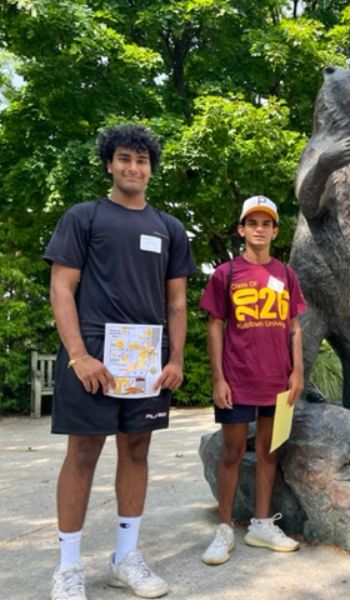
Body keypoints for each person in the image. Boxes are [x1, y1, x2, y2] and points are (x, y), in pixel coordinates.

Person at [44, 124, 196, 600]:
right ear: (109, 163)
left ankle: (124, 558)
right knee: (83, 454)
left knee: (136, 451)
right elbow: (61, 289)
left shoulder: (169, 228)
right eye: (125, 158)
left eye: (142, 160)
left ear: (151, 168)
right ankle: (68, 567)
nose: (134, 167)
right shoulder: (83, 217)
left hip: (147, 359)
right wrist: (78, 356)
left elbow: (176, 303)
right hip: (93, 352)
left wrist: (175, 359)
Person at [199, 195, 305, 566]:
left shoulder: (286, 275)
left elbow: (294, 328)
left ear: (275, 231)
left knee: (269, 452)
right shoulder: (225, 274)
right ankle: (225, 528)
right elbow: (215, 327)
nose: (259, 229)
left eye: (267, 223)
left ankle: (261, 524)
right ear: (242, 229)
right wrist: (218, 378)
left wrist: (297, 371)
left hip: (276, 382)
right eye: (252, 223)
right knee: (230, 453)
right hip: (237, 379)